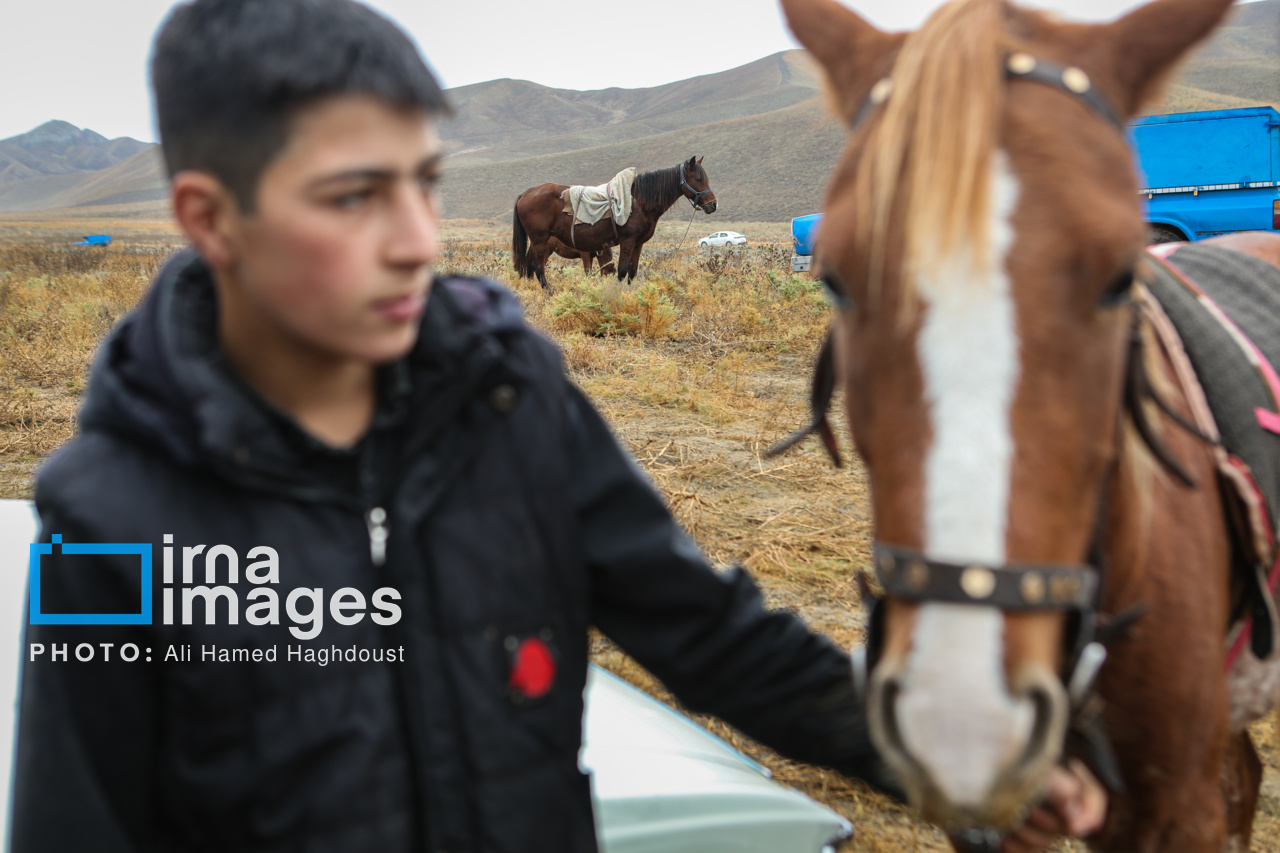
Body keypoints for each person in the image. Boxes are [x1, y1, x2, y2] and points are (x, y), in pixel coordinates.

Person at [9, 1, 1104, 851]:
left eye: (426, 184)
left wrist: (944, 758)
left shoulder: (507, 396)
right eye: (353, 196)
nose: (414, 238)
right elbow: (78, 823)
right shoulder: (105, 517)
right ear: (210, 219)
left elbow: (707, 633)